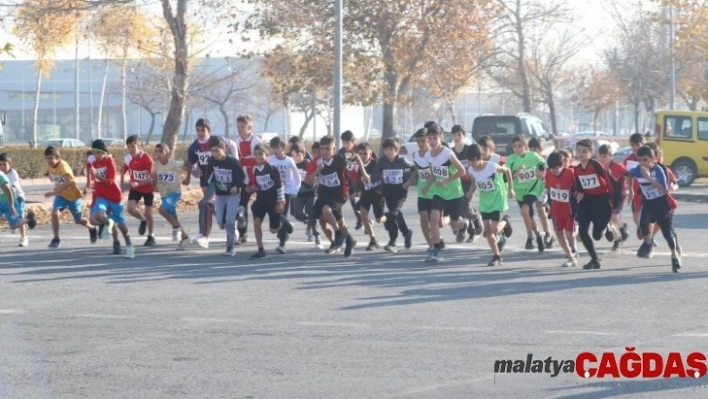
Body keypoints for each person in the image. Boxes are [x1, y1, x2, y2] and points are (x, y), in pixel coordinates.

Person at [184, 118, 239, 249]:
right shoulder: (194, 147)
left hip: (221, 178)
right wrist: (194, 171)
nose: (200, 133)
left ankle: (204, 236)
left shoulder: (216, 140)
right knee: (213, 206)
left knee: (205, 203)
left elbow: (232, 144)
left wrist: (236, 161)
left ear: (209, 130)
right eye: (198, 130)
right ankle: (231, 225)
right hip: (206, 181)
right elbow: (192, 164)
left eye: (203, 130)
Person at [627, 145, 681, 272]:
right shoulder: (637, 169)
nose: (642, 163)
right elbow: (629, 175)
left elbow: (664, 189)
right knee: (641, 224)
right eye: (639, 160)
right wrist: (630, 190)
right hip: (648, 203)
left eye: (645, 160)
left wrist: (649, 178)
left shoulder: (658, 170)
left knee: (667, 232)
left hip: (661, 203)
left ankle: (674, 255)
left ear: (653, 159)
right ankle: (648, 241)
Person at [421, 125, 467, 262]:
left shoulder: (447, 153)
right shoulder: (428, 155)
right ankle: (436, 250)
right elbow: (433, 174)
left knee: (454, 222)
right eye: (430, 138)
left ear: (440, 138)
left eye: (435, 138)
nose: (432, 141)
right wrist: (426, 186)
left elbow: (462, 171)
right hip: (439, 192)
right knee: (434, 218)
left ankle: (464, 225)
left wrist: (447, 180)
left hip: (454, 193)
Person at [573, 139, 621, 270]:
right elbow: (579, 187)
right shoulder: (576, 170)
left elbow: (611, 181)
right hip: (587, 202)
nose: (581, 154)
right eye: (578, 151)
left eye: (584, 151)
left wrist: (614, 200)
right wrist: (579, 194)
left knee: (596, 235)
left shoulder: (596, 165)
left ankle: (607, 228)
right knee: (582, 231)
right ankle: (594, 259)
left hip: (602, 201)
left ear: (591, 152)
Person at [360, 139, 415, 252]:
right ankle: (406, 232)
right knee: (396, 214)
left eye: (391, 149)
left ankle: (392, 241)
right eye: (386, 149)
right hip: (388, 192)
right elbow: (374, 175)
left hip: (400, 192)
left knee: (392, 214)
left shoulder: (402, 161)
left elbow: (415, 169)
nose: (388, 152)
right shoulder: (381, 162)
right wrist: (376, 176)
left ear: (396, 150)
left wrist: (408, 183)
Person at [307, 135, 356, 258]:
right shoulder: (316, 162)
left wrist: (364, 175)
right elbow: (307, 180)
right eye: (322, 149)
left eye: (328, 149)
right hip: (324, 194)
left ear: (334, 149)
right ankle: (347, 240)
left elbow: (356, 160)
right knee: (325, 218)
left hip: (339, 193)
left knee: (326, 210)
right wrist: (317, 171)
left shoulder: (340, 160)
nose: (325, 152)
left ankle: (339, 234)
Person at [466, 144, 514, 266]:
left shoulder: (491, 167)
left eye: (473, 160)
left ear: (480, 157)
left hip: (497, 199)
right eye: (469, 160)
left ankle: (506, 221)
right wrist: (470, 192)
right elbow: (473, 183)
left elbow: (507, 171)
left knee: (494, 229)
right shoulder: (471, 169)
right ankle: (497, 256)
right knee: (488, 232)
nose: (471, 163)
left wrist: (510, 189)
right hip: (485, 201)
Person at [41, 146, 98, 248]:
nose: (49, 161)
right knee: (54, 213)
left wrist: (53, 192)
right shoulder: (50, 166)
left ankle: (91, 228)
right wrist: (49, 177)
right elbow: (53, 175)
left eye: (51, 158)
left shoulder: (63, 166)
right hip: (60, 196)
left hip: (72, 196)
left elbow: (68, 182)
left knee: (78, 220)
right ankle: (56, 238)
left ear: (58, 157)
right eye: (47, 158)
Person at [87, 139, 135, 258]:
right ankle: (111, 232)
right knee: (94, 218)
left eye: (99, 153)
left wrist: (95, 174)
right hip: (101, 196)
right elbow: (88, 164)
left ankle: (129, 244)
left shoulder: (109, 161)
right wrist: (89, 179)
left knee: (121, 225)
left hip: (114, 196)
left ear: (104, 152)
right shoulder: (92, 160)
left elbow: (110, 181)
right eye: (94, 152)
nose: (96, 155)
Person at [249, 144, 292, 259]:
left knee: (273, 230)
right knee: (256, 223)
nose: (258, 156)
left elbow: (280, 185)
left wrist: (280, 201)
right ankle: (261, 249)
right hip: (261, 201)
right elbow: (256, 184)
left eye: (261, 154)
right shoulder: (255, 169)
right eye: (256, 154)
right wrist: (253, 188)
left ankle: (283, 222)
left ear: (267, 155)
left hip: (273, 201)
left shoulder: (272, 168)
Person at [506, 135, 547, 252]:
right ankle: (539, 235)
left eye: (520, 146)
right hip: (519, 191)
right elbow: (507, 176)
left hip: (533, 188)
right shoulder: (511, 159)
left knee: (524, 211)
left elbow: (542, 163)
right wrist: (516, 173)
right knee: (528, 215)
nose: (517, 149)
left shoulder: (532, 155)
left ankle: (530, 237)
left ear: (525, 146)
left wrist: (541, 173)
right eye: (514, 146)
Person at [206, 136, 246, 256]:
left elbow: (241, 177)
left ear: (223, 148)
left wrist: (237, 186)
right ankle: (239, 213)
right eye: (212, 151)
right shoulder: (212, 160)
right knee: (220, 221)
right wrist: (204, 184)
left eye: (216, 151)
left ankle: (230, 247)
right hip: (220, 194)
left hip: (232, 195)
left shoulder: (232, 161)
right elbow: (208, 174)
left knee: (229, 221)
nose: (214, 154)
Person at [544, 152, 580, 267]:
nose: (554, 171)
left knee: (569, 233)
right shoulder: (548, 174)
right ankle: (571, 257)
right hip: (556, 210)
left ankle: (579, 228)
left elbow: (579, 187)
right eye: (551, 168)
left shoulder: (570, 173)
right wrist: (543, 199)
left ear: (562, 165)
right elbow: (547, 188)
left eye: (556, 168)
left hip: (570, 209)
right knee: (559, 233)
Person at [152, 143, 190, 249]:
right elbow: (153, 177)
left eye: (161, 151)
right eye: (156, 152)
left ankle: (176, 227)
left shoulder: (174, 164)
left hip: (174, 193)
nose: (158, 154)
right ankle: (185, 237)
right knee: (173, 217)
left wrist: (187, 178)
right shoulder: (155, 165)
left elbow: (188, 163)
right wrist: (154, 183)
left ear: (167, 153)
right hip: (164, 195)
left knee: (161, 210)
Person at [267, 137, 301, 254]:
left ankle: (282, 244)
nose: (276, 150)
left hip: (286, 191)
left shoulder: (289, 161)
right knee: (275, 216)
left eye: (278, 147)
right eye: (274, 147)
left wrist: (294, 191)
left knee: (282, 213)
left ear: (283, 148)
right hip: (272, 192)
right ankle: (286, 223)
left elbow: (297, 177)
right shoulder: (269, 160)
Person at [450, 125, 483, 243]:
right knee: (458, 209)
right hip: (456, 185)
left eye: (459, 135)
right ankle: (468, 230)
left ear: (464, 136)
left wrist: (473, 181)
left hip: (469, 183)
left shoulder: (469, 150)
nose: (456, 137)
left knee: (465, 207)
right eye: (454, 135)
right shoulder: (450, 152)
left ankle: (475, 220)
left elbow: (478, 163)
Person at [121, 135, 156, 246]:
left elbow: (152, 178)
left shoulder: (147, 158)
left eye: (133, 146)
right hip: (135, 188)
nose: (131, 149)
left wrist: (139, 183)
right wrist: (121, 185)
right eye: (128, 147)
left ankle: (151, 236)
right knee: (130, 209)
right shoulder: (128, 158)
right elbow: (123, 170)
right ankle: (142, 220)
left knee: (148, 214)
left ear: (139, 146)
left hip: (147, 188)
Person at [235, 115, 262, 245]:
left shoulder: (255, 141)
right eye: (238, 127)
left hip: (258, 176)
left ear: (249, 127)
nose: (240, 129)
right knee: (241, 204)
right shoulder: (237, 141)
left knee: (264, 203)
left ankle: (278, 223)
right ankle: (243, 233)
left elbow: (259, 159)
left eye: (242, 127)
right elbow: (238, 159)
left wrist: (254, 181)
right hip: (245, 177)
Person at [352, 142, 385, 251]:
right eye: (360, 154)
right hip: (365, 194)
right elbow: (355, 179)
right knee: (363, 213)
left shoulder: (376, 163)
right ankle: (373, 240)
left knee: (379, 219)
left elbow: (383, 177)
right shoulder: (356, 166)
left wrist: (381, 190)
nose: (362, 156)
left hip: (377, 194)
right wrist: (356, 191)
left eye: (365, 154)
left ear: (370, 153)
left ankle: (389, 218)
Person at [410, 128, 436, 258]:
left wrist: (428, 185)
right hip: (422, 193)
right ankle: (432, 246)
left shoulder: (432, 154)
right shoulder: (415, 154)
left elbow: (434, 173)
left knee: (436, 222)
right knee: (423, 218)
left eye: (423, 141)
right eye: (418, 141)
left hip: (435, 192)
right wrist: (408, 182)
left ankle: (436, 240)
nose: (421, 143)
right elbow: (416, 170)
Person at [597, 144, 629, 251]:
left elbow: (629, 175)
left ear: (611, 156)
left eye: (604, 156)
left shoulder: (618, 167)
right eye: (600, 156)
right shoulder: (597, 168)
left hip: (617, 195)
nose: (602, 158)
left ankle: (622, 227)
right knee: (608, 220)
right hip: (604, 196)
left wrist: (627, 187)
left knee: (614, 217)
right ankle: (617, 239)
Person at [291, 143, 323, 249]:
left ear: (304, 154)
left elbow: (315, 176)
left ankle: (316, 236)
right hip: (298, 194)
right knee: (297, 214)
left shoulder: (309, 164)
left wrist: (312, 184)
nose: (296, 158)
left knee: (311, 213)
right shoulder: (291, 164)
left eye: (298, 155)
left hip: (310, 193)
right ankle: (309, 222)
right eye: (293, 155)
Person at [527, 137, 554, 248]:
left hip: (543, 189)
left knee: (540, 209)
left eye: (535, 149)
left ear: (540, 149)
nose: (533, 152)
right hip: (531, 189)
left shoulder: (546, 160)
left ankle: (548, 233)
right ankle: (536, 234)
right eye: (531, 149)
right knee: (529, 212)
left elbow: (547, 175)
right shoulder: (528, 160)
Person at [0, 154, 29, 247]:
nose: (2, 167)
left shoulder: (12, 174)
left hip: (17, 199)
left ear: (10, 164)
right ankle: (11, 220)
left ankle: (24, 237)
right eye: (0, 165)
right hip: (3, 200)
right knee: (8, 219)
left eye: (5, 164)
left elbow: (11, 188)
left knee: (18, 218)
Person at [0, 170, 36, 242]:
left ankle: (29, 219)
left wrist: (11, 205)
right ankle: (11, 217)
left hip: (9, 201)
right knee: (2, 218)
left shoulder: (1, 176)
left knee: (13, 226)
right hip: (1, 201)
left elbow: (9, 190)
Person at [338, 130, 364, 230]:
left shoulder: (360, 149)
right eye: (343, 143)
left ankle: (365, 219)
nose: (346, 145)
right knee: (353, 200)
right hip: (350, 180)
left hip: (362, 179)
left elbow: (372, 158)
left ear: (353, 142)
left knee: (362, 201)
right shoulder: (341, 152)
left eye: (348, 143)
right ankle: (360, 219)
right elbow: (340, 165)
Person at [624, 132, 645, 235]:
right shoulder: (628, 160)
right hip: (635, 193)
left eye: (637, 145)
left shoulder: (649, 158)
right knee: (636, 217)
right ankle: (645, 232)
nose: (635, 148)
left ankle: (648, 236)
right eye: (633, 145)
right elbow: (624, 176)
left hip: (647, 192)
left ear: (643, 144)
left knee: (649, 217)